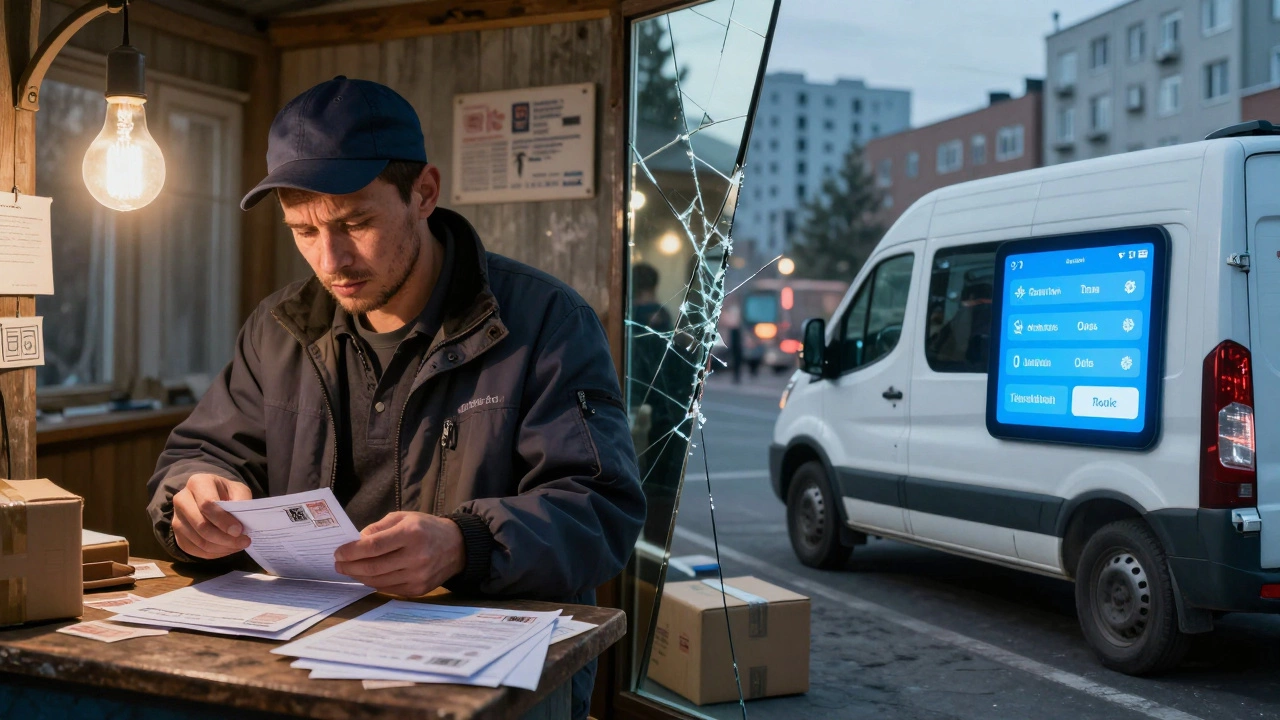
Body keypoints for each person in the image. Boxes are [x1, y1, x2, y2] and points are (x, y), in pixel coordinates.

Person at [145, 76, 646, 718]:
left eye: (355, 222)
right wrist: (193, 497)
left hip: (485, 675)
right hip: (305, 665)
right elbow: (200, 453)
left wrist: (465, 545)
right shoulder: (278, 329)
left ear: (424, 193)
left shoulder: (545, 321)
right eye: (303, 231)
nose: (331, 260)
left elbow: (601, 509)